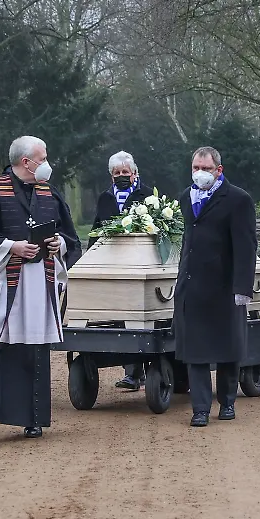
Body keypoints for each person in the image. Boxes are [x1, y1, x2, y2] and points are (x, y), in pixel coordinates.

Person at [0, 135, 82, 442]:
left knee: (34, 349)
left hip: (37, 284)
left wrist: (60, 245)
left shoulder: (50, 193)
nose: (47, 163)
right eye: (42, 158)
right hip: (3, 282)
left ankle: (33, 418)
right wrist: (11, 246)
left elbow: (70, 238)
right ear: (26, 162)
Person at [173, 146, 257, 426]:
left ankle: (228, 400)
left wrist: (242, 288)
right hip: (193, 285)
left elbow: (246, 246)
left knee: (227, 347)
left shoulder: (238, 199)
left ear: (219, 170)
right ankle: (200, 408)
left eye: (206, 169)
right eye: (196, 168)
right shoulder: (186, 197)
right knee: (195, 350)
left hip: (224, 286)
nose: (200, 174)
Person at [90, 151, 155, 391]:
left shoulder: (147, 195)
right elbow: (97, 228)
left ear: (134, 173)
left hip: (142, 264)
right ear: (111, 176)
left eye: (125, 172)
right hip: (114, 265)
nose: (121, 176)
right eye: (117, 173)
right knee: (122, 317)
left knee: (144, 316)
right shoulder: (105, 198)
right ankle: (132, 372)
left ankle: (150, 369)